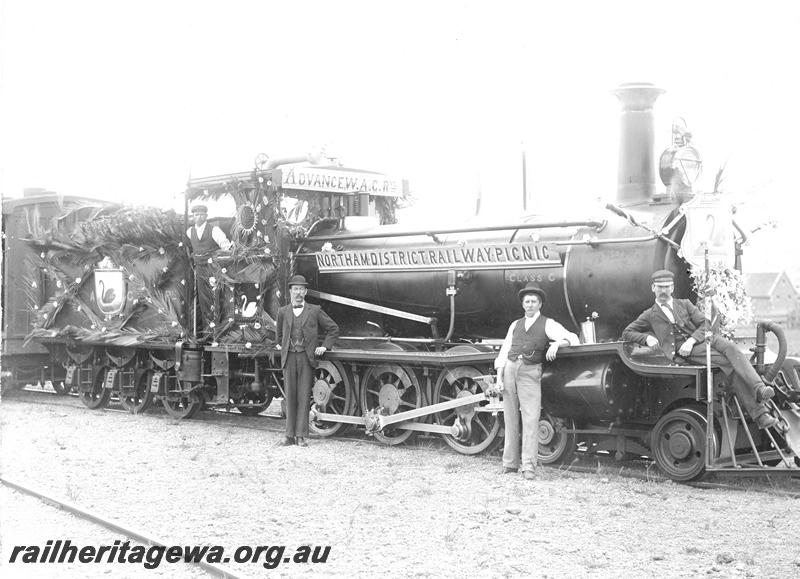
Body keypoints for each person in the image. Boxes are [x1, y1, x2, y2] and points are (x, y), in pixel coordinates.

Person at [622, 269, 778, 430]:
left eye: (667, 287)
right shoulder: (649, 314)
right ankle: (760, 414)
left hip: (702, 340)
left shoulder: (685, 304)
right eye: (660, 287)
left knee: (732, 348)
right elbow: (627, 332)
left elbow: (705, 324)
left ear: (673, 288)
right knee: (729, 365)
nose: (663, 291)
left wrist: (691, 339)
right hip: (684, 351)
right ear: (653, 288)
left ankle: (759, 388)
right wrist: (646, 338)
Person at [495, 283, 580, 480]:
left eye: (534, 301)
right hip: (509, 371)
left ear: (540, 304)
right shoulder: (514, 325)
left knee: (531, 419)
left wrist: (557, 344)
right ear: (523, 305)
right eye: (527, 301)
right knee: (510, 418)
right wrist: (499, 378)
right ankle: (509, 464)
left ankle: (529, 467)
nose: (530, 305)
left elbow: (573, 338)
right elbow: (504, 352)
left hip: (530, 372)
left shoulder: (548, 324)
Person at [275, 275, 340, 447]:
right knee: (290, 396)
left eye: (301, 289)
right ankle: (289, 435)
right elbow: (279, 336)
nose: (298, 293)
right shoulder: (283, 312)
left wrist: (325, 346)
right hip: (289, 357)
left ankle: (301, 436)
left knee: (304, 397)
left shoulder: (315, 310)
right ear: (290, 292)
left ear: (305, 292)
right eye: (295, 289)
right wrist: (285, 348)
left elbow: (333, 329)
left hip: (306, 358)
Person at [186, 204, 232, 332]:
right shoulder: (190, 232)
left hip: (212, 268)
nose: (198, 217)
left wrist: (218, 261)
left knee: (215, 297)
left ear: (206, 216)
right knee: (203, 298)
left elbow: (226, 247)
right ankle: (207, 330)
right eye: (196, 215)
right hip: (199, 269)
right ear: (193, 217)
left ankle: (217, 330)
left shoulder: (214, 230)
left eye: (201, 214)